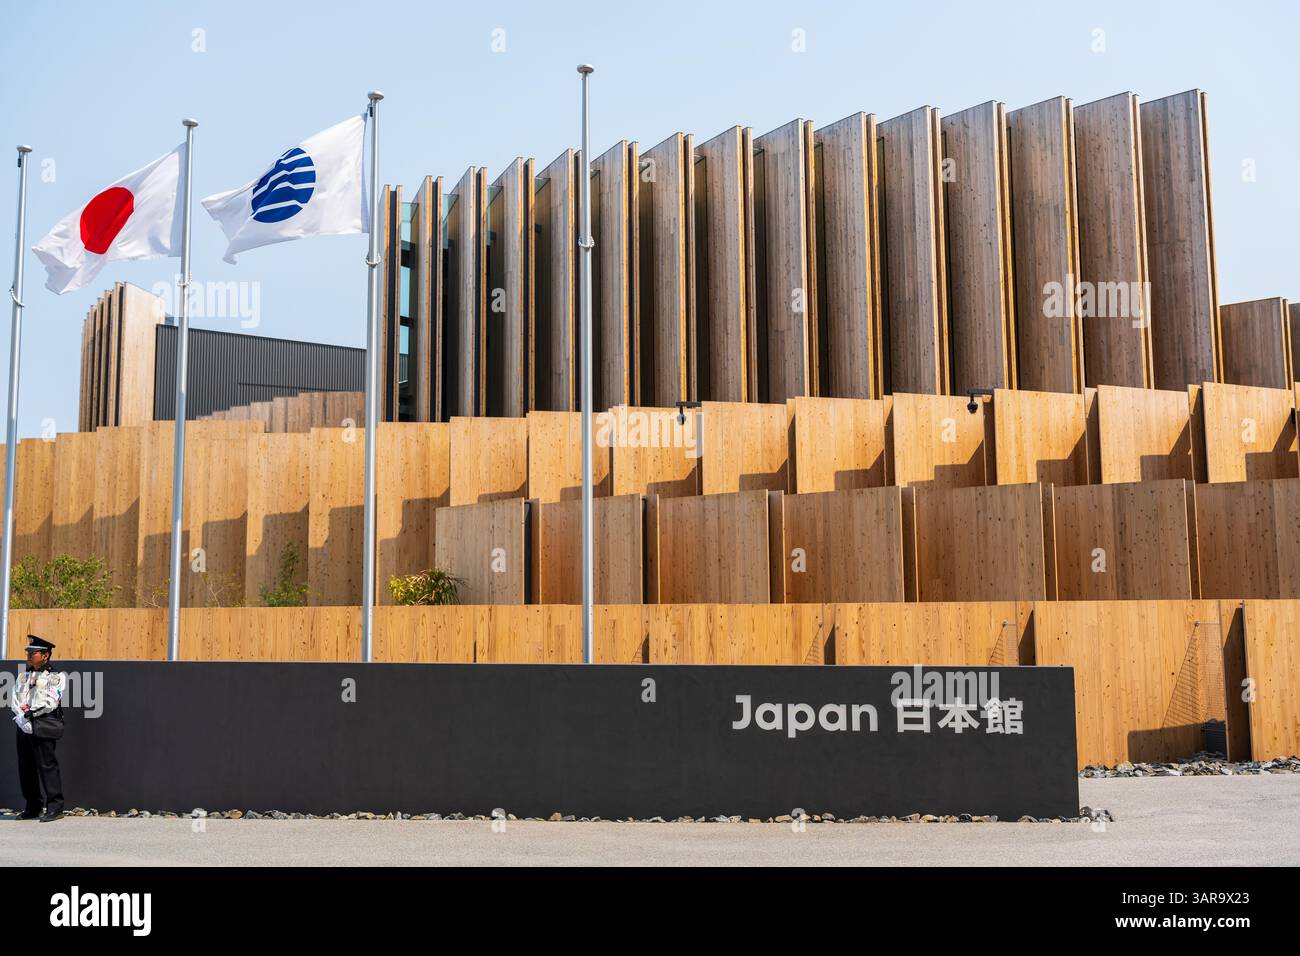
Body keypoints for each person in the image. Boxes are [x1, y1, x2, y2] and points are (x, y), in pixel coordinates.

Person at [10, 635, 65, 822]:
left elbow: (50, 702)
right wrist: (20, 716)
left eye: (33, 652)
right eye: (28, 652)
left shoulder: (55, 677)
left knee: (47, 765)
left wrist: (29, 715)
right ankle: (32, 806)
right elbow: (15, 697)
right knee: (26, 767)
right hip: (22, 725)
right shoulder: (23, 675)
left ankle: (55, 807)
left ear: (46, 655)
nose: (29, 655)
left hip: (42, 724)